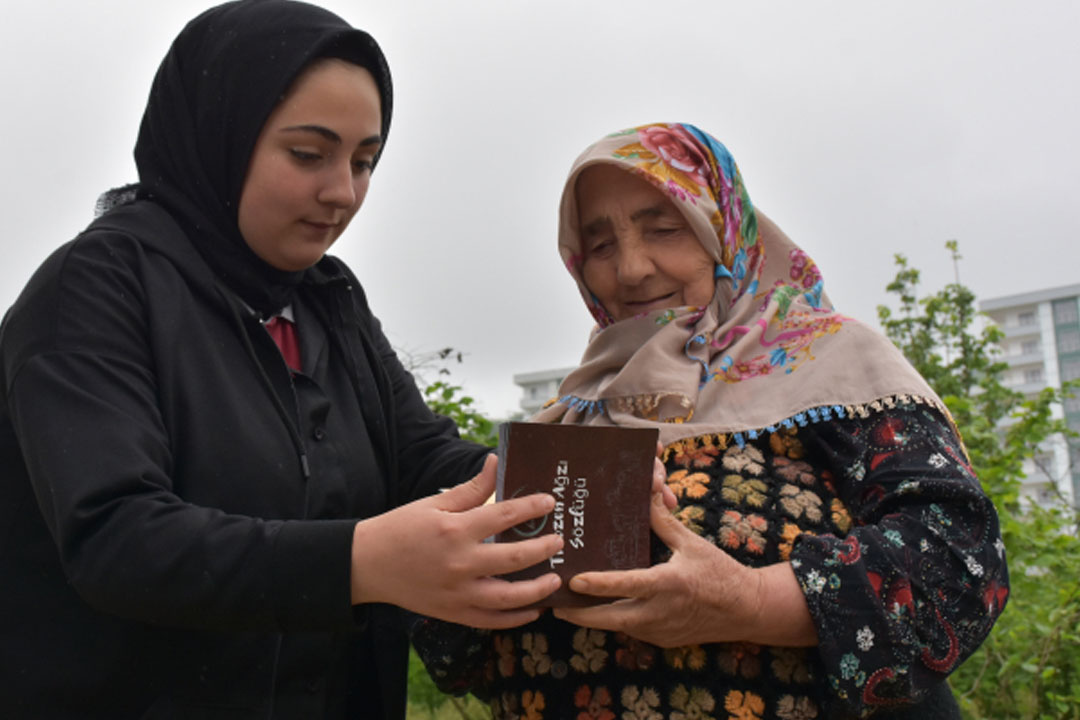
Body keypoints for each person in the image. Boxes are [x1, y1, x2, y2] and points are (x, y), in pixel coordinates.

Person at [0, 3, 565, 718]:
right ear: (217, 135)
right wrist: (360, 562)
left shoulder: (326, 301)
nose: (341, 192)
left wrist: (568, 483)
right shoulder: (96, 288)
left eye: (364, 160)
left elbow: (421, 457)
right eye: (308, 154)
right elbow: (117, 536)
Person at [412, 123, 1008, 719]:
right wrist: (470, 560)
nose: (631, 269)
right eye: (599, 246)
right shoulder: (573, 414)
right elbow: (461, 660)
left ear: (722, 230)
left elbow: (959, 564)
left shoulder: (832, 368)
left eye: (665, 229)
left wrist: (749, 600)